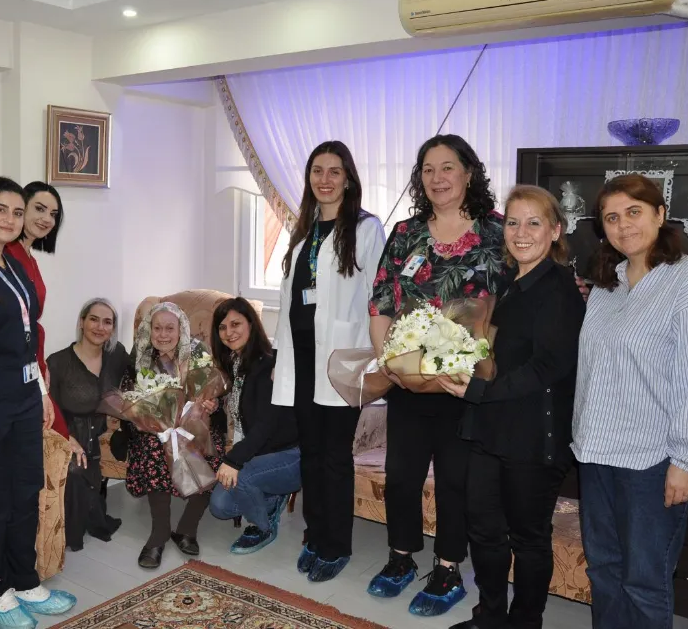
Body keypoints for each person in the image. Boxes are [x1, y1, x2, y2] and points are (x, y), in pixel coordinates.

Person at [573, 174, 688, 629]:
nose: (623, 225)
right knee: (604, 570)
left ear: (661, 214)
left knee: (644, 581)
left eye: (634, 212)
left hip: (653, 462)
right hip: (597, 453)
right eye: (611, 218)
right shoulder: (609, 285)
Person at [366, 134, 508, 617]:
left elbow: (513, 307)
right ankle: (400, 556)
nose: (437, 178)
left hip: (466, 385)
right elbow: (381, 302)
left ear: (469, 172)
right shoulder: (406, 233)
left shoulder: (498, 232)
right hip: (408, 382)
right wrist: (389, 362)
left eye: (448, 167)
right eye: (428, 169)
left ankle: (448, 567)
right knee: (401, 476)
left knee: (455, 481)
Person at [437, 185, 586, 629]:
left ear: (555, 231)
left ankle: (524, 623)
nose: (521, 233)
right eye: (514, 223)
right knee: (483, 530)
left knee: (528, 538)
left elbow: (548, 367)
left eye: (534, 223)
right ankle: (489, 616)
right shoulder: (508, 283)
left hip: (533, 438)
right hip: (490, 429)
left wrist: (478, 391)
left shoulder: (559, 289)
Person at [0, 177, 77, 629]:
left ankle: (24, 580)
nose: (10, 219)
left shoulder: (15, 265)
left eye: (17, 212)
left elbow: (28, 340)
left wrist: (42, 393)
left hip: (25, 398)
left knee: (27, 492)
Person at [272, 140, 386, 583]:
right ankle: (315, 535)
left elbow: (379, 297)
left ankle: (336, 545)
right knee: (311, 453)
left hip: (342, 360)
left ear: (348, 179)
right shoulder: (304, 228)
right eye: (317, 171)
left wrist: (377, 357)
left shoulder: (366, 228)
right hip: (301, 358)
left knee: (335, 455)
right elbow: (290, 297)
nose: (325, 179)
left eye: (334, 171)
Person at [121, 302, 226, 569]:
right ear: (150, 330)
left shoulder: (198, 354)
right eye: (157, 328)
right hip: (155, 430)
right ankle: (159, 533)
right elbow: (128, 398)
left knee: (210, 451)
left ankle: (187, 528)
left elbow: (215, 395)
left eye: (170, 328)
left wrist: (211, 404)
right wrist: (145, 419)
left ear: (181, 330)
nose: (163, 334)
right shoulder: (140, 356)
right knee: (154, 450)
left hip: (194, 425)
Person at [208, 297, 300, 554]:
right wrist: (214, 406)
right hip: (260, 455)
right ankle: (271, 497)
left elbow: (266, 425)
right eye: (222, 327)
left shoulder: (269, 364)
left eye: (235, 324)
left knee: (242, 477)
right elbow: (239, 413)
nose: (229, 332)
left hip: (290, 455)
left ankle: (262, 527)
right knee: (220, 506)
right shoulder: (235, 364)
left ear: (251, 324)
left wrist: (234, 460)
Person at [47, 298, 128, 549]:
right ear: (82, 322)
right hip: (67, 433)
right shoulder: (58, 362)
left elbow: (141, 376)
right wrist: (66, 438)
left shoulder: (117, 355)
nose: (100, 327)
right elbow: (49, 409)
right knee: (74, 470)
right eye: (94, 319)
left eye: (107, 322)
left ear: (113, 329)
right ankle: (70, 532)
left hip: (101, 432)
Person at [4, 181, 67, 439]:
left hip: (33, 356)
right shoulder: (5, 253)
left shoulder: (29, 257)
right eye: (39, 209)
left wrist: (42, 366)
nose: (47, 219)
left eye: (53, 214)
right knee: (55, 438)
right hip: (15, 361)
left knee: (59, 439)